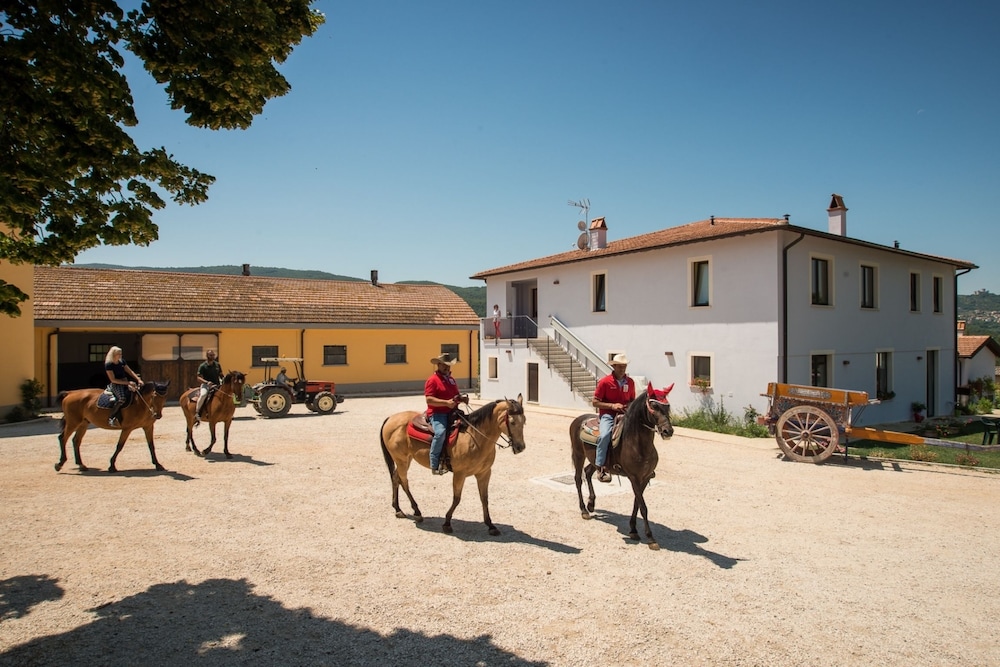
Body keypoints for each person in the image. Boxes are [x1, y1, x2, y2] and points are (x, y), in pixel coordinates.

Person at [592, 353, 636, 483]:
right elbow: (595, 402)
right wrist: (612, 406)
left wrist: (629, 406)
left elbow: (632, 399)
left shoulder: (630, 382)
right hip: (608, 414)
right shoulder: (605, 382)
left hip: (626, 413)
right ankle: (601, 466)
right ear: (614, 367)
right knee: (605, 435)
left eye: (624, 366)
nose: (622, 369)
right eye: (620, 366)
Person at [424, 352, 468, 475]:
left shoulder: (451, 380)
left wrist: (461, 399)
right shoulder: (432, 380)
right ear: (438, 365)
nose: (447, 367)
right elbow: (429, 399)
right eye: (444, 365)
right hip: (438, 413)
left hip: (453, 412)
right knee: (440, 433)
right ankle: (434, 463)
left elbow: (455, 395)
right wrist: (446, 403)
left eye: (448, 365)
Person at [105, 346, 143, 426]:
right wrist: (128, 383)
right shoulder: (109, 365)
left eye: (121, 353)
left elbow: (130, 371)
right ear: (113, 354)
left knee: (137, 394)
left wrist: (138, 379)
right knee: (122, 398)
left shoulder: (122, 361)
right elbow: (113, 379)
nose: (120, 355)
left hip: (125, 381)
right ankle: (111, 417)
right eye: (118, 354)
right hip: (116, 384)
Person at [194, 349, 223, 426]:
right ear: (207, 356)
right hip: (206, 385)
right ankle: (197, 412)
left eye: (213, 355)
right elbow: (198, 377)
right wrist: (207, 382)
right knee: (203, 395)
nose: (212, 356)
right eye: (211, 355)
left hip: (217, 385)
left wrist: (224, 379)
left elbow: (221, 374)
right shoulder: (203, 366)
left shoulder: (217, 365)